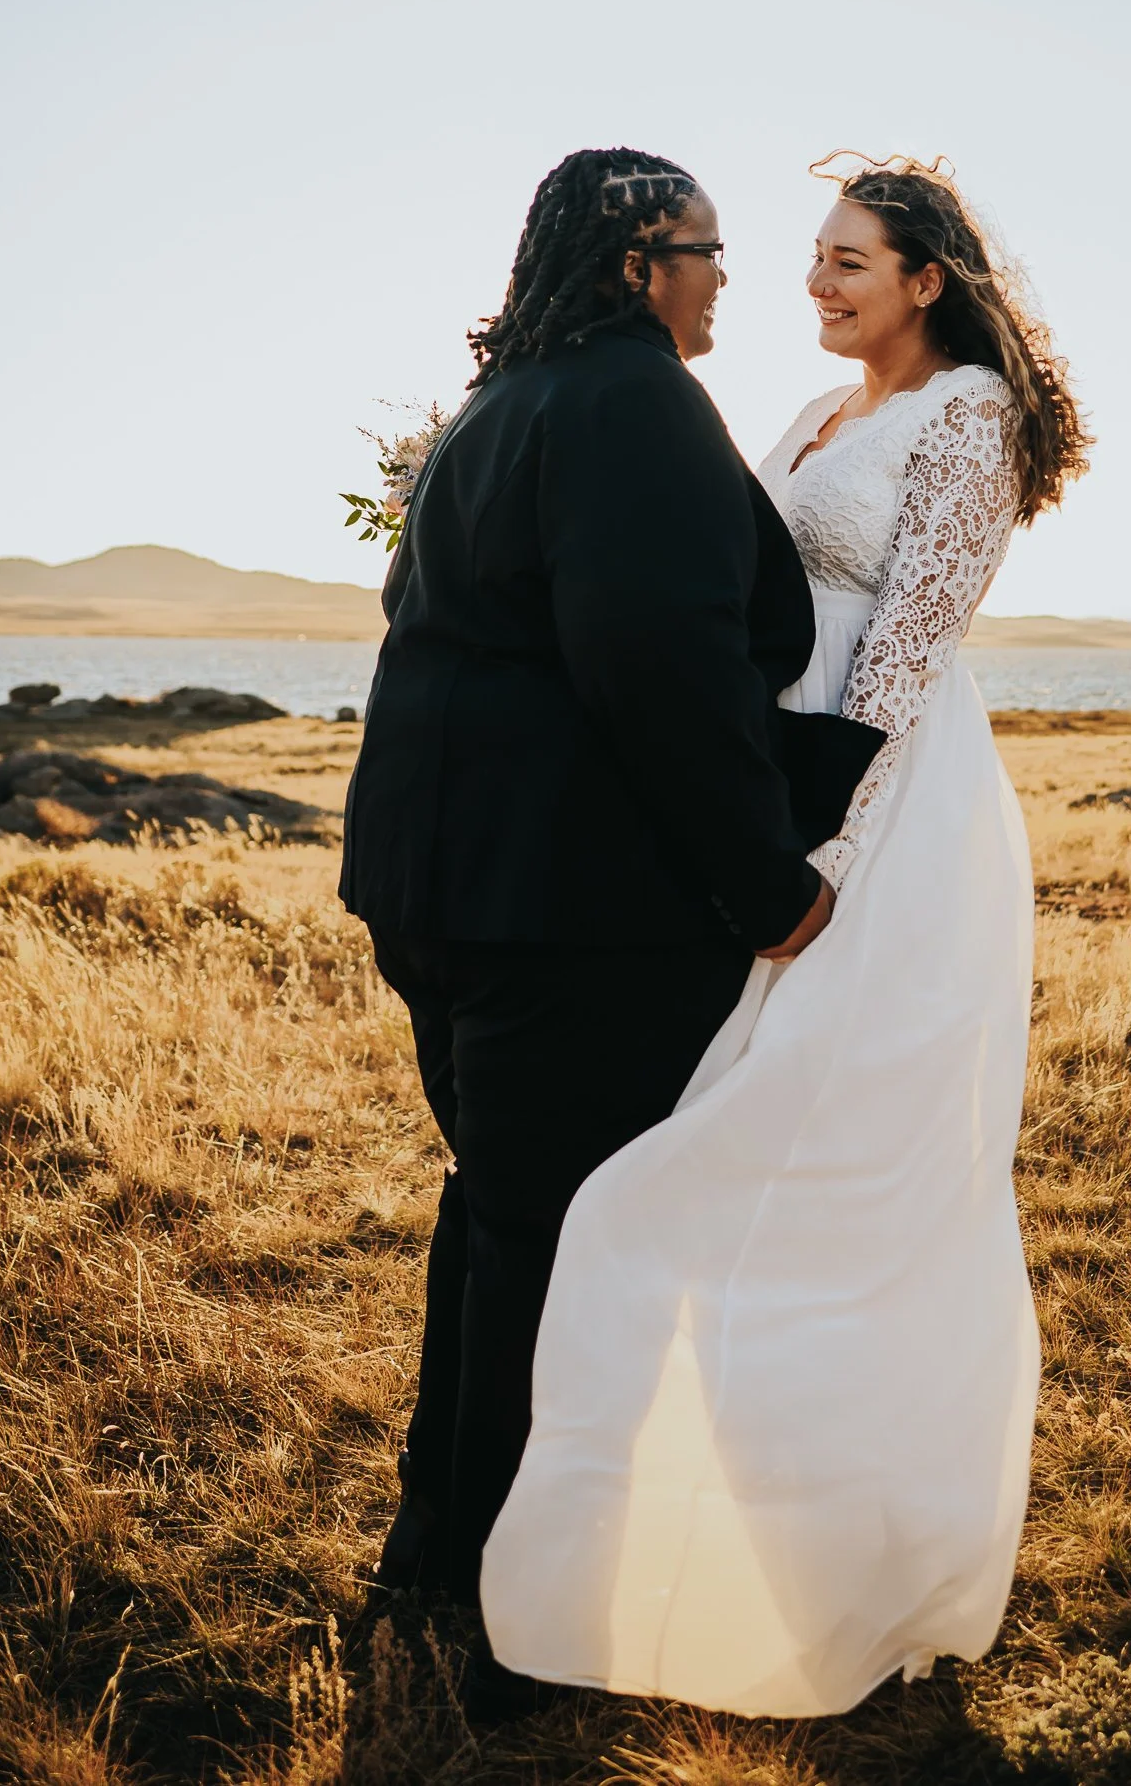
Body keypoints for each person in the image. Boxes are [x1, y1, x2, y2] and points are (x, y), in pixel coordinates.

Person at [480, 154, 1089, 1717]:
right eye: (810, 258)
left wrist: (815, 821)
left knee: (831, 1128)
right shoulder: (820, 417)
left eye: (848, 263)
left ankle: (856, 1534)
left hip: (874, 795)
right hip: (769, 776)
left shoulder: (964, 415)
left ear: (925, 281)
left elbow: (912, 632)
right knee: (722, 1112)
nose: (812, 285)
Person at [339, 147, 854, 1716]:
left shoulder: (503, 408)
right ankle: (521, 1627)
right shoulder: (628, 404)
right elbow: (658, 667)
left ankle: (438, 1555)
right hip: (566, 913)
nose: (723, 282)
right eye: (705, 252)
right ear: (640, 261)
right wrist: (769, 883)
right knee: (562, 1255)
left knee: (498, 1223)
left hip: (442, 891)